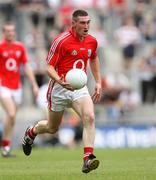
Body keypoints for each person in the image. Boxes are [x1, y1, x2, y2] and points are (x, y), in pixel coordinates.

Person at [22, 9, 102, 173]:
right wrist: (60, 80)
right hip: (59, 88)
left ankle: (88, 159)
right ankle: (31, 132)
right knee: (52, 128)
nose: (86, 26)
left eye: (88, 22)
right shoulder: (61, 41)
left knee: (90, 117)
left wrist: (99, 82)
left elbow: (93, 57)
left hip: (79, 89)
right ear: (73, 23)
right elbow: (49, 67)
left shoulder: (92, 41)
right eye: (82, 23)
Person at [0, 22, 39, 157]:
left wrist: (34, 84)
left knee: (12, 118)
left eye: (12, 31)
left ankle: (6, 146)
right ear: (4, 32)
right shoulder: (0, 47)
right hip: (3, 85)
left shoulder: (20, 47)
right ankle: (5, 146)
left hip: (17, 87)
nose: (10, 33)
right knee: (10, 114)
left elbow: (26, 66)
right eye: (7, 31)